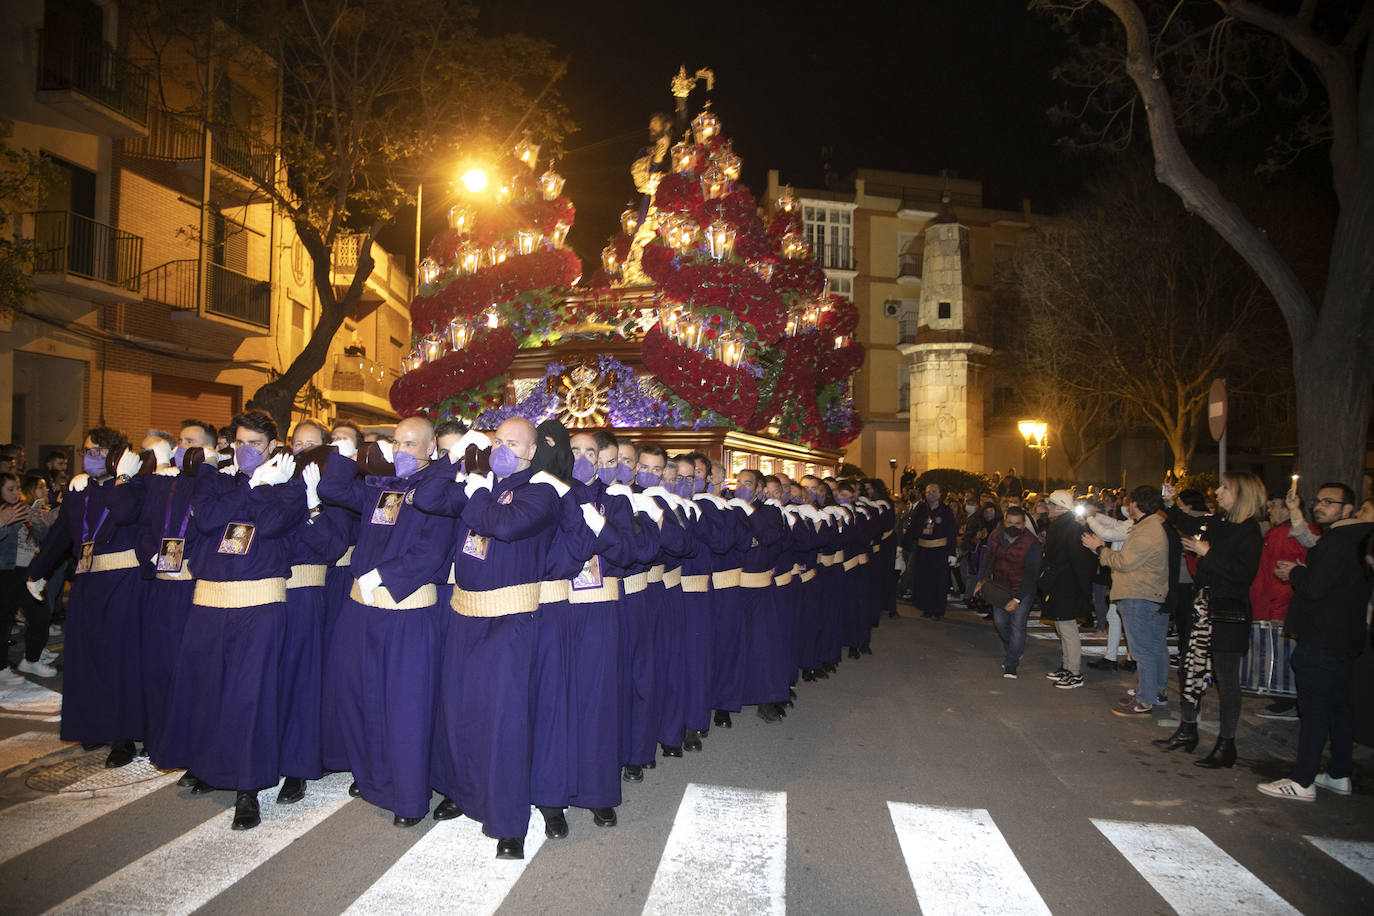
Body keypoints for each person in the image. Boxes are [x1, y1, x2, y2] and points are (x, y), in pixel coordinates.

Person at [414, 417, 564, 860]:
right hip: (464, 614)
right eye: (496, 440)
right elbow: (427, 497)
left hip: (510, 621)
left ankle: (508, 820)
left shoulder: (542, 490)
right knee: (459, 712)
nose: (500, 448)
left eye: (511, 443)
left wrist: (478, 483)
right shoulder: (476, 481)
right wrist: (454, 457)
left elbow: (502, 524)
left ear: (531, 451)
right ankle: (463, 792)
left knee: (506, 722)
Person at [160, 411, 304, 830]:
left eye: (254, 443)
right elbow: (205, 518)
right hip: (209, 601)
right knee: (206, 688)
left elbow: (275, 524)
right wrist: (252, 486)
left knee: (250, 696)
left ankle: (247, 788)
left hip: (259, 604)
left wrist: (262, 488)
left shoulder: (289, 486)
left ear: (273, 446)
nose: (245, 450)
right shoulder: (214, 480)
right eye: (239, 442)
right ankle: (207, 765)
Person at [317, 416, 451, 824]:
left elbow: (431, 553)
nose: (401, 451)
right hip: (362, 610)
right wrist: (343, 454)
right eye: (397, 442)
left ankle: (408, 797)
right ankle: (372, 775)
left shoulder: (439, 491)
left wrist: (385, 575)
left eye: (411, 444)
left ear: (430, 448)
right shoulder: (384, 487)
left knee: (405, 707)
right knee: (361, 696)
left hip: (406, 613)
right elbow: (333, 489)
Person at [27, 427, 145, 768]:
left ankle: (123, 737)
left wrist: (119, 480)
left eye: (97, 452)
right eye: (86, 451)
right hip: (88, 582)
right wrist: (35, 572)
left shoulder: (132, 487)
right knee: (86, 657)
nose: (88, 457)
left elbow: (124, 515)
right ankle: (95, 724)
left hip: (123, 582)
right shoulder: (79, 491)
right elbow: (61, 534)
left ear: (114, 455)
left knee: (119, 661)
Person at [1258, 483, 1373, 801]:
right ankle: (1339, 773)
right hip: (1345, 638)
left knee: (1314, 711)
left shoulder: (1338, 542)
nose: (1320, 506)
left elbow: (1316, 587)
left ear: (1348, 510)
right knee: (1338, 709)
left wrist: (1296, 572)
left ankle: (1302, 780)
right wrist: (1296, 513)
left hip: (1322, 637)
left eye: (1329, 502)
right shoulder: (1358, 541)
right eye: (1319, 501)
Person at [1168, 472, 1265, 768]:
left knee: (1225, 679)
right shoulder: (1220, 522)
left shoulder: (1250, 530)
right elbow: (1189, 524)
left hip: (1228, 613)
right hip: (1204, 608)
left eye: (1225, 488)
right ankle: (1188, 730)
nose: (1218, 492)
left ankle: (1226, 745)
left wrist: (1207, 553)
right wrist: (1170, 503)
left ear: (1242, 494)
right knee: (1190, 667)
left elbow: (1242, 574)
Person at [1082, 486, 1172, 717]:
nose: (1127, 505)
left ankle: (1145, 699)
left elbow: (1124, 562)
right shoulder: (1148, 526)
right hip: (1144, 593)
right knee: (1153, 647)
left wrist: (1099, 549)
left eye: (1129, 501)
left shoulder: (1147, 530)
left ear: (1135, 504)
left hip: (1138, 595)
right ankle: (1154, 691)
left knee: (1142, 650)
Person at [1251, 492, 1318, 719]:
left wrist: (1277, 612)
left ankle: (1287, 701)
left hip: (1279, 607)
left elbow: (1281, 579)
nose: (1269, 511)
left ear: (1288, 508)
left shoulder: (1284, 536)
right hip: (1278, 605)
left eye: (1273, 506)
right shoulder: (1281, 533)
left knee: (1282, 657)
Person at [1, 472, 58, 680]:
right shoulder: (6, 513)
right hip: (6, 572)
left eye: (17, 488)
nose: (16, 493)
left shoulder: (24, 510)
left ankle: (31, 660)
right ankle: (1, 668)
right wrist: (7, 521)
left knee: (41, 615)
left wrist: (39, 521)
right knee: (4, 620)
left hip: (28, 571)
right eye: (10, 489)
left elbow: (41, 538)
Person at [974, 505, 1041, 678]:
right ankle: (1013, 649)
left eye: (1017, 523)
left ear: (1024, 524)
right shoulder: (996, 536)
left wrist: (1017, 599)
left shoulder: (1032, 543)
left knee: (1017, 625)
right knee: (1000, 622)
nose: (1013, 526)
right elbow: (989, 559)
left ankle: (1012, 663)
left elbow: (1032, 574)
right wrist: (981, 581)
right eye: (1010, 522)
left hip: (1023, 589)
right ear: (1004, 522)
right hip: (1000, 587)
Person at [1039, 490, 1095, 689]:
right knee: (1063, 627)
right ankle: (1067, 666)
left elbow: (1080, 562)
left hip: (1066, 584)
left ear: (1062, 507)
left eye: (1053, 505)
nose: (1049, 508)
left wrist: (1082, 591)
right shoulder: (1062, 527)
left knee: (1068, 628)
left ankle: (1075, 672)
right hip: (1061, 582)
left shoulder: (1069, 528)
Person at [900, 483, 957, 619]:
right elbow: (912, 529)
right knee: (924, 580)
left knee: (938, 582)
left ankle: (937, 610)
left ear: (939, 494)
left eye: (934, 491)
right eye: (928, 492)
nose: (931, 494)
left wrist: (951, 553)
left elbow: (951, 532)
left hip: (940, 551)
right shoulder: (921, 510)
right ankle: (926, 608)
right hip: (923, 550)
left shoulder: (946, 511)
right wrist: (903, 545)